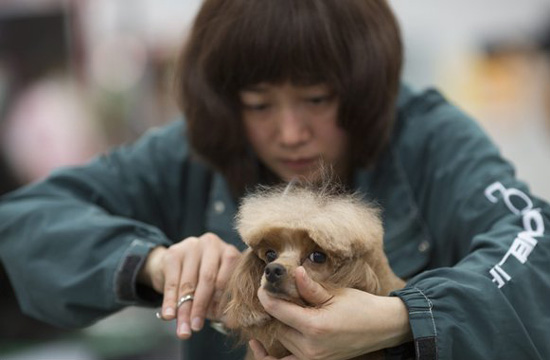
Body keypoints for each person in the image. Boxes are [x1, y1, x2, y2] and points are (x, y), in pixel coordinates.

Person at [0, 0, 549, 359]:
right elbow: (27, 220)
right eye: (260, 104)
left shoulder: (428, 137)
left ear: (359, 89)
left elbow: (533, 243)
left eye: (316, 99)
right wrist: (154, 263)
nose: (290, 132)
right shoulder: (194, 152)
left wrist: (404, 318)